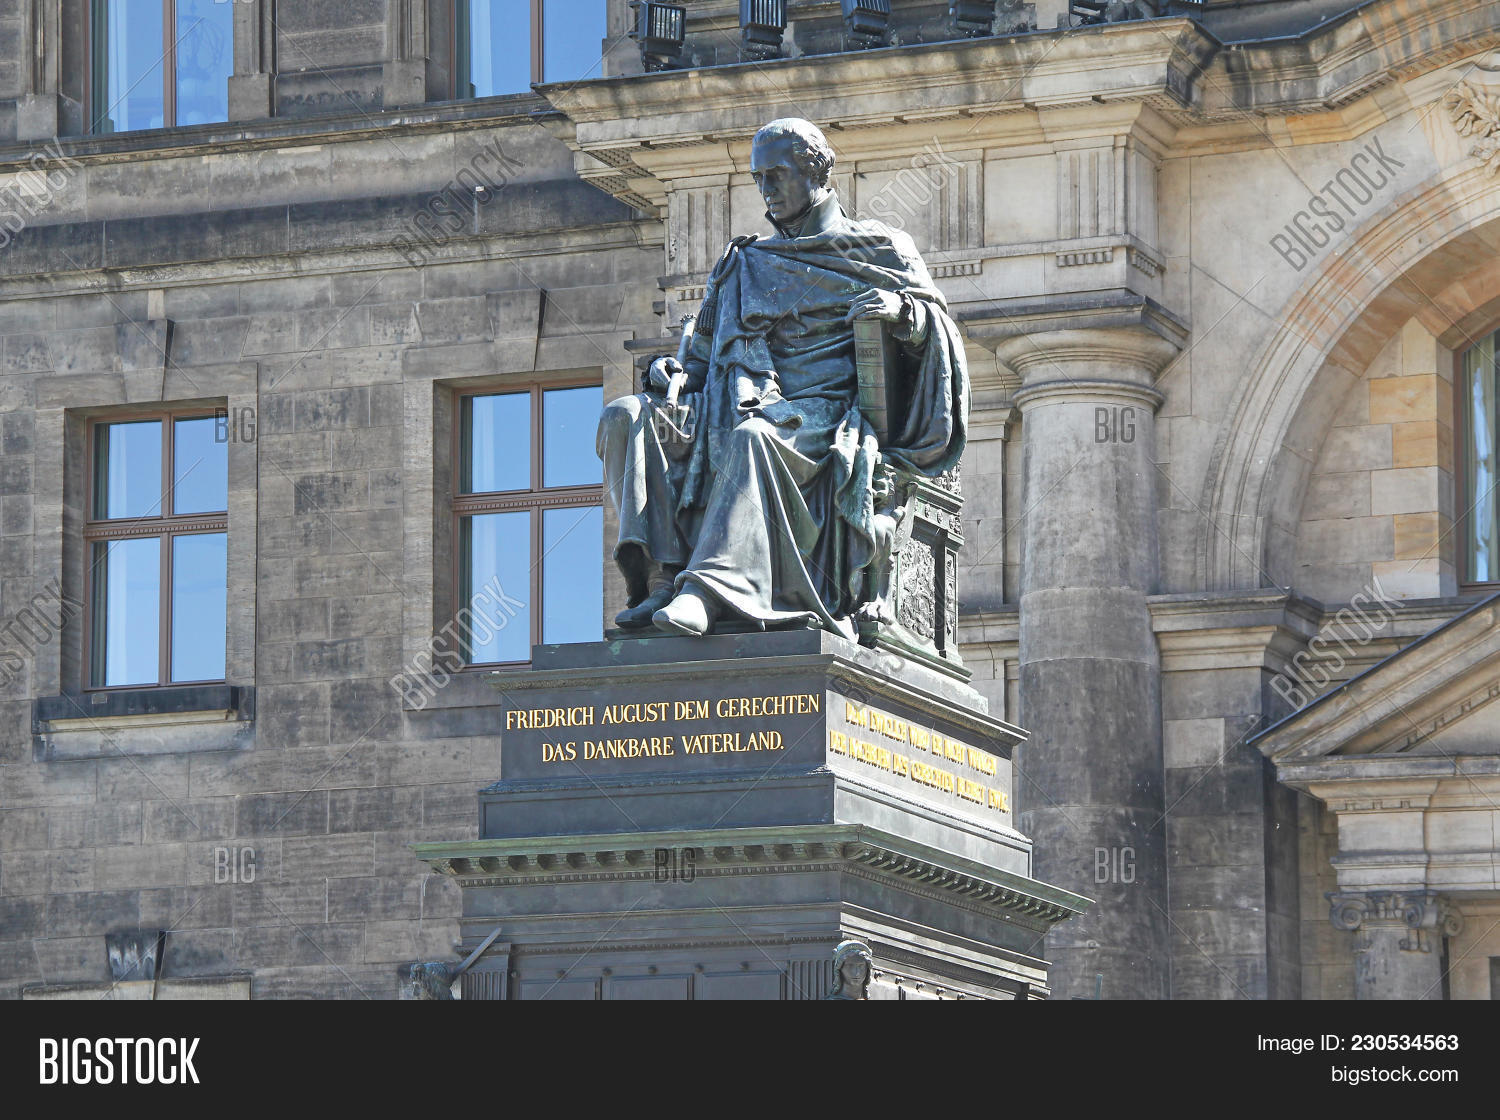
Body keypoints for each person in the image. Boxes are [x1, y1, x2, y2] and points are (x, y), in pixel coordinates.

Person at [596, 117, 968, 638]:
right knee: (627, 416)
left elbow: (944, 342)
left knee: (755, 437)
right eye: (758, 178)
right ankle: (662, 578)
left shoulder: (880, 247)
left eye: (777, 174)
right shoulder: (745, 260)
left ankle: (706, 590)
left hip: (821, 415)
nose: (766, 189)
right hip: (731, 401)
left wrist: (904, 313)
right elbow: (702, 360)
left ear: (816, 172)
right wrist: (671, 370)